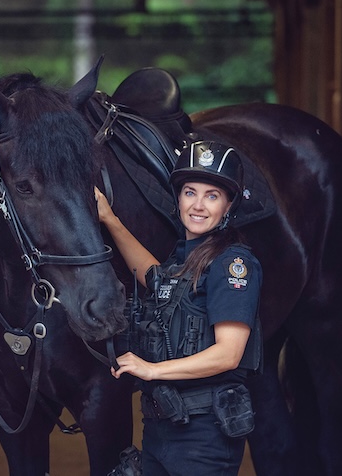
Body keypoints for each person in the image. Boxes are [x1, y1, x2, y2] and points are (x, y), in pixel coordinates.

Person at [97, 139, 263, 476]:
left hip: (203, 433)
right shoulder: (184, 256)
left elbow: (228, 354)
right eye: (190, 192)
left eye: (212, 195)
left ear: (228, 205)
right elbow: (153, 277)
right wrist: (109, 220)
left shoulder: (232, 263)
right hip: (162, 428)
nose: (198, 205)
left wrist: (152, 370)